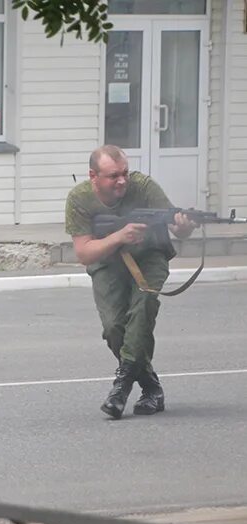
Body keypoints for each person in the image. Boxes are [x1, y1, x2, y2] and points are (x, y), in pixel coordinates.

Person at [65, 145, 197, 419]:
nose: (122, 181)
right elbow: (83, 252)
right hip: (108, 260)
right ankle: (151, 387)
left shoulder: (144, 187)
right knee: (114, 327)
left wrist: (185, 225)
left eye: (124, 173)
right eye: (113, 176)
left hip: (150, 257)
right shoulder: (79, 198)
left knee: (142, 310)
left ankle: (121, 386)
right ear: (93, 176)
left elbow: (177, 227)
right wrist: (120, 237)